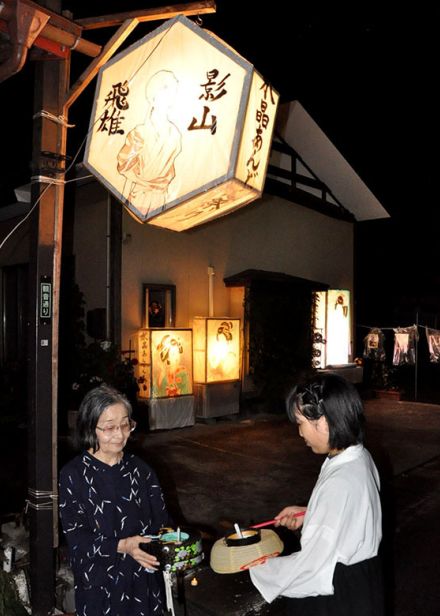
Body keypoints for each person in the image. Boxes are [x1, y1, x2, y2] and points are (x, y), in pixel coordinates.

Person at [249, 373, 384, 615]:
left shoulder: (340, 481)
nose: (300, 433)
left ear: (323, 421)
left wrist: (259, 568)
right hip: (363, 583)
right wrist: (311, 514)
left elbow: (312, 568)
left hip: (338, 595)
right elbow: (350, 516)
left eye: (301, 423)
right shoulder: (358, 456)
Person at [59, 384, 171, 616]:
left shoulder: (142, 470)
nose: (120, 435)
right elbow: (77, 538)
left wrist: (173, 545)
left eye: (125, 425)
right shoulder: (73, 475)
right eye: (109, 428)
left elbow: (162, 522)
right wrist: (123, 546)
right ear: (91, 428)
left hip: (141, 578)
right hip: (100, 583)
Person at [117, 70, 182, 217]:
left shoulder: (174, 134)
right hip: (140, 196)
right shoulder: (139, 133)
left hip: (162, 197)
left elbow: (171, 170)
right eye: (165, 94)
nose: (169, 100)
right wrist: (146, 181)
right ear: (153, 99)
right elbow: (123, 165)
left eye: (171, 95)